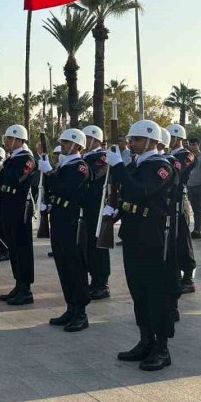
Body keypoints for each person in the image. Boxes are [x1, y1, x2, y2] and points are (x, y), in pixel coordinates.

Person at [105, 120, 178, 371]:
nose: (130, 143)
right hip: (134, 233)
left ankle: (161, 347)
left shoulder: (162, 166)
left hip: (153, 237)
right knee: (138, 291)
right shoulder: (137, 164)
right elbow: (128, 197)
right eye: (131, 139)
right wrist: (113, 211)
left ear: (151, 141)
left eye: (135, 139)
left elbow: (141, 192)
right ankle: (145, 340)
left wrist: (119, 169)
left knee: (156, 293)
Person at [40, 129, 91, 332]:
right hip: (60, 219)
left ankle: (81, 312)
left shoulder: (80, 167)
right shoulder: (65, 165)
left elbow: (64, 189)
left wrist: (49, 172)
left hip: (73, 222)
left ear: (78, 146)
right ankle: (70, 307)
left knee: (75, 267)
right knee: (63, 265)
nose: (62, 145)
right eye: (62, 142)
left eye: (67, 142)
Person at [0, 125, 37, 306]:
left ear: (19, 140)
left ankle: (26, 289)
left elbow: (15, 178)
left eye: (10, 139)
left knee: (22, 248)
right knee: (13, 248)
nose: (7, 142)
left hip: (20, 210)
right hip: (9, 208)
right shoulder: (13, 158)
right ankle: (18, 284)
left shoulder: (27, 159)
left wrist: (0, 168)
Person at [81, 125, 111, 300]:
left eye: (86, 137)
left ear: (96, 139)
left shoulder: (102, 156)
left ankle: (101, 283)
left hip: (96, 207)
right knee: (88, 246)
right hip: (85, 206)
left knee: (98, 246)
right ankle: (93, 279)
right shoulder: (85, 157)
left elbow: (94, 174)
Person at [166, 124, 197, 294]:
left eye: (171, 137)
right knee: (172, 238)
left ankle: (188, 277)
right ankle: (175, 272)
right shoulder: (168, 155)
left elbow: (179, 172)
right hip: (169, 200)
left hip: (179, 199)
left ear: (178, 138)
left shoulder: (186, 155)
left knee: (183, 237)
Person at [185, 137, 201, 239]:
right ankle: (197, 230)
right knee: (196, 210)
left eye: (194, 144)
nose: (192, 146)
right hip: (191, 186)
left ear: (199, 145)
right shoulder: (188, 157)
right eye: (190, 144)